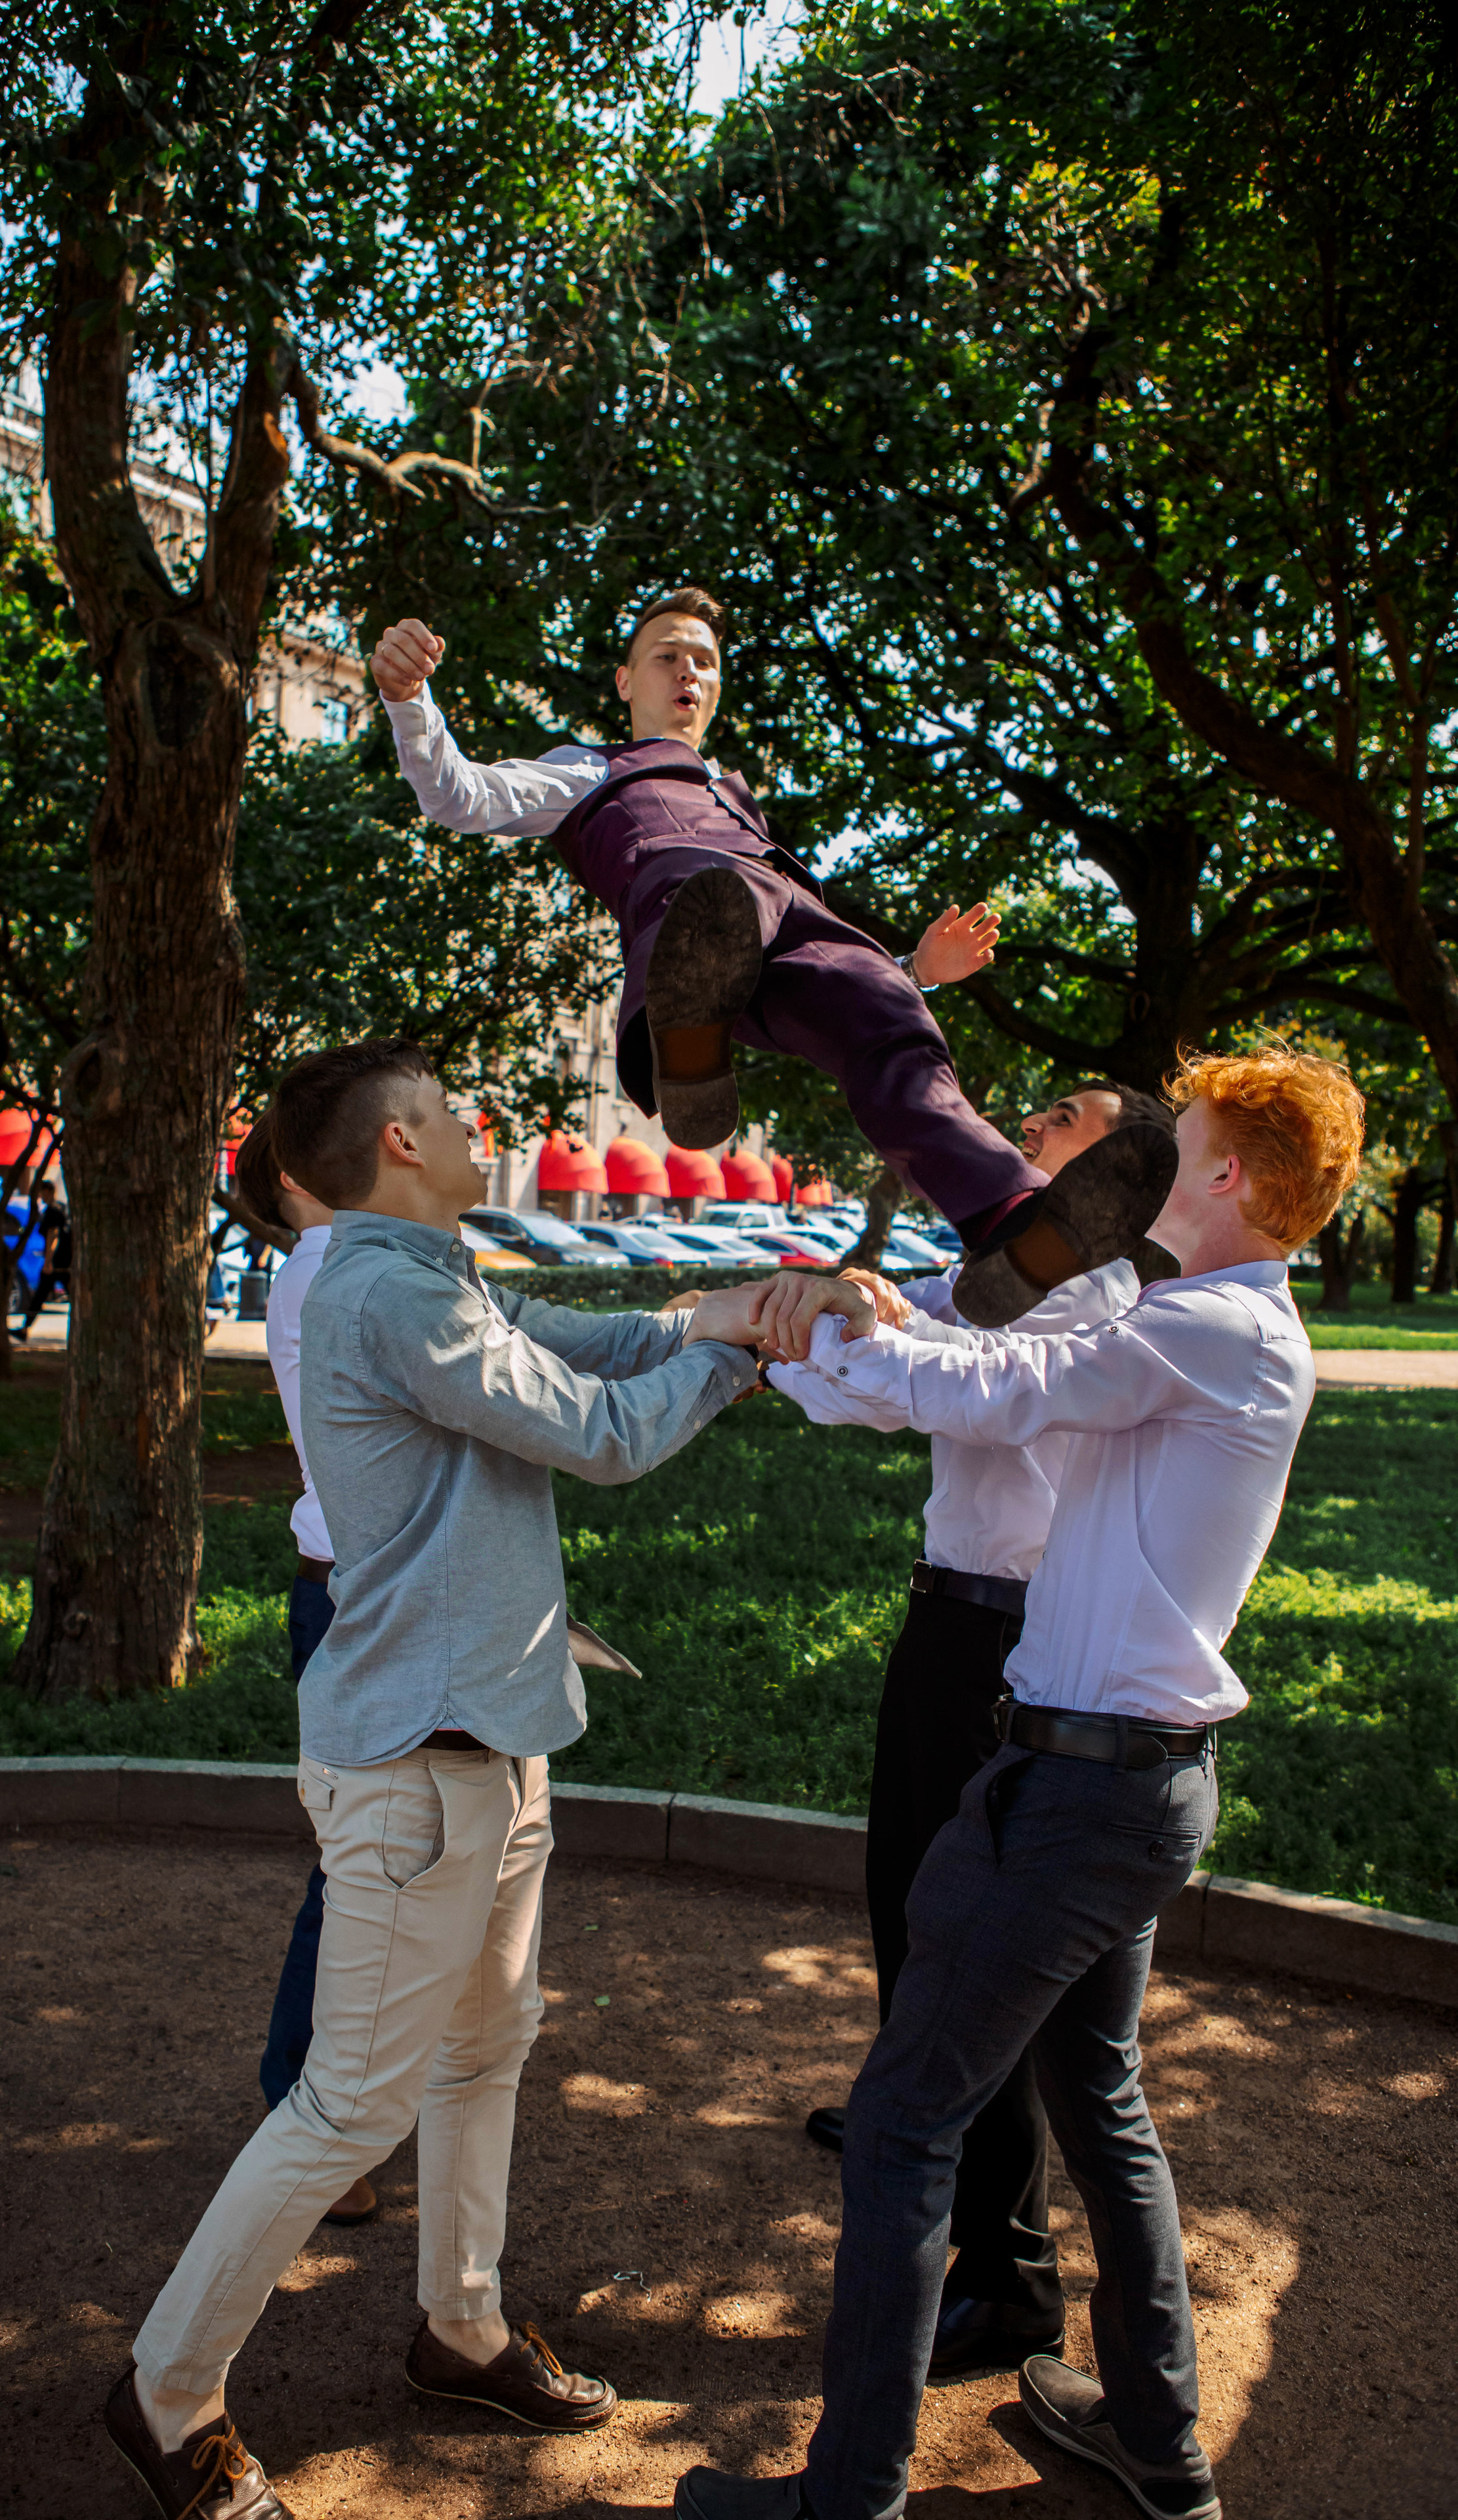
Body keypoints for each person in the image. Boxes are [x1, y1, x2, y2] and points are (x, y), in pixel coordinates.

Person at [677, 1045, 1364, 2520]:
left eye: (1164, 1150)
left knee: (906, 2118)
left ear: (1225, 1177)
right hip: (1106, 1781)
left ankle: (841, 2496)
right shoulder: (1203, 1326)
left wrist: (832, 1321)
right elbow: (997, 1369)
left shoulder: (1209, 1332)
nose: (1127, 1177)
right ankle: (1157, 2440)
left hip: (1082, 1795)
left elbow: (1000, 1381)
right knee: (1093, 2101)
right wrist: (862, 1318)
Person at [107, 1037, 767, 2519]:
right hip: (417, 1760)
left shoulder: (429, 1271)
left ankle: (459, 2325)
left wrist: (701, 1308)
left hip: (492, 1733)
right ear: (399, 1142)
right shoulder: (390, 1288)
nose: (479, 1132)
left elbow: (563, 1337)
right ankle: (164, 2396)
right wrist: (736, 1352)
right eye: (455, 1116)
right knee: (346, 2108)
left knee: (484, 2053)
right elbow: (596, 1435)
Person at [370, 593, 1176, 1327]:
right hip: (697, 918)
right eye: (666, 655)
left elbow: (819, 977)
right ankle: (684, 1041)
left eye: (704, 661)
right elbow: (459, 795)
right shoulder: (588, 768)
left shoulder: (735, 796)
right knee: (715, 888)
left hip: (781, 936)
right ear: (624, 680)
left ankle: (1010, 1223)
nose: (687, 669)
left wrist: (914, 970)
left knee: (886, 1014)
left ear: (716, 690)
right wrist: (410, 702)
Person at [795, 1083, 1174, 2391]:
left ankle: (1003, 2275)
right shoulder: (1013, 1275)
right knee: (913, 1913)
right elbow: (873, 1395)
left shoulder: (1099, 1295)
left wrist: (848, 1330)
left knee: (954, 1936)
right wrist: (810, 1332)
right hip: (957, 1631)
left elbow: (956, 1391)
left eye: (1062, 1115)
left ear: (1119, 1160)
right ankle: (924, 2119)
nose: (1025, 1123)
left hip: (1012, 1648)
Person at [231, 1118, 378, 2231]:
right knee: (362, 1866)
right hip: (362, 1603)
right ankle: (306, 2104)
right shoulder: (336, 1272)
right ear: (296, 1178)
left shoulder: (343, 1265)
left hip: (360, 1597)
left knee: (375, 1863)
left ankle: (328, 2100)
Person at [10, 1178, 70, 1341]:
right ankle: (24, 1329)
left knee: (42, 1295)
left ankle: (25, 1329)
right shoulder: (62, 1208)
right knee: (41, 1294)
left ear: (48, 1192)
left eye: (42, 1192)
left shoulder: (52, 1212)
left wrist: (48, 1261)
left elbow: (53, 1236)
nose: (40, 1196)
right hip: (64, 1261)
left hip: (57, 1263)